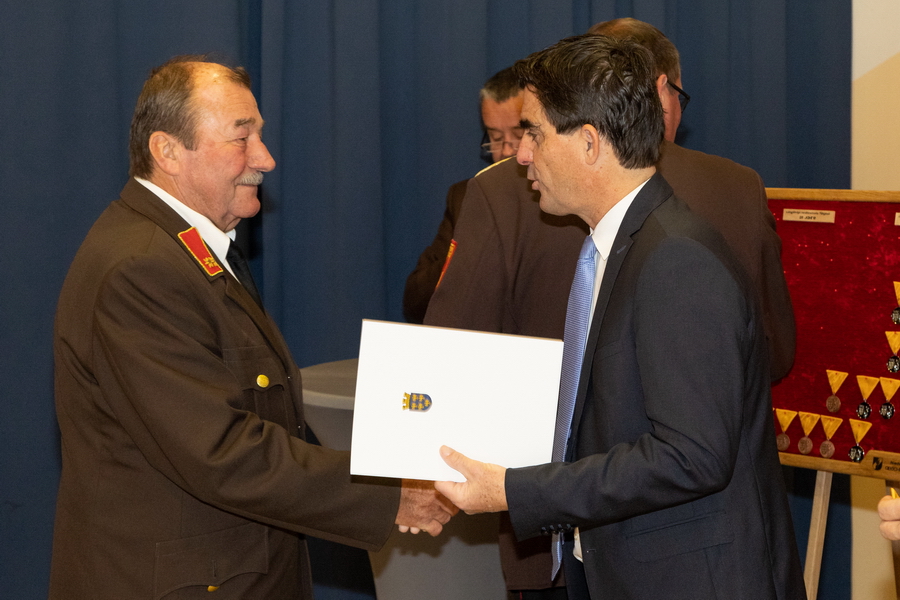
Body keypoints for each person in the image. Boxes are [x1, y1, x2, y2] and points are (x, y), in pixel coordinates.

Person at [49, 56, 455, 599]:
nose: (265, 158)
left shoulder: (186, 248)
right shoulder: (141, 268)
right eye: (242, 138)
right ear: (168, 151)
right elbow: (222, 453)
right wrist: (391, 493)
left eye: (259, 136)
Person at [424, 18, 797, 599]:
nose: (521, 154)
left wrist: (517, 491)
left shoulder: (676, 259)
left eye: (535, 133)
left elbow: (692, 456)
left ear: (590, 143)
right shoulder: (621, 244)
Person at [402, 67, 525, 324]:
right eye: (495, 137)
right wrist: (472, 239)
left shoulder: (565, 201)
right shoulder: (465, 197)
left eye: (518, 135)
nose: (506, 151)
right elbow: (415, 303)